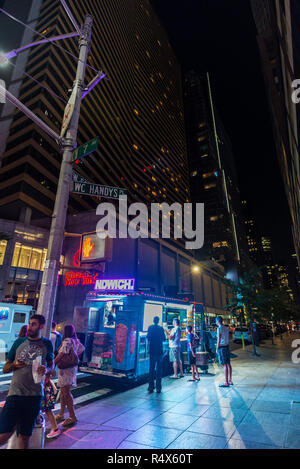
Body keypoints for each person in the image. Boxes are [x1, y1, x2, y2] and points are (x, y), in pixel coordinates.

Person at [0, 314, 54, 449]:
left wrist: (46, 369)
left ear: (41, 326)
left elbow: (52, 366)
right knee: (4, 434)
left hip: (34, 396)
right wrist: (15, 366)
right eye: (29, 323)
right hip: (15, 395)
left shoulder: (47, 344)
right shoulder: (19, 343)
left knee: (25, 436)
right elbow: (6, 368)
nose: (30, 327)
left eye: (34, 324)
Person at [54, 324, 85, 428]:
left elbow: (61, 354)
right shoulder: (76, 340)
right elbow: (81, 350)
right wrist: (73, 358)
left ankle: (72, 416)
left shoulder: (67, 341)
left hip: (66, 370)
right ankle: (61, 414)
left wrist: (52, 363)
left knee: (66, 392)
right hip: (71, 368)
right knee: (63, 392)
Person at [147, 316, 166, 393]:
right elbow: (164, 338)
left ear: (153, 320)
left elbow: (148, 337)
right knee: (159, 370)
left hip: (152, 351)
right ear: (158, 321)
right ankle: (158, 387)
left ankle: (151, 387)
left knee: (151, 369)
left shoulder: (150, 327)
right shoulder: (161, 328)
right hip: (159, 351)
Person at [42, 369, 60, 439]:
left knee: (48, 409)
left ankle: (55, 428)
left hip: (45, 388)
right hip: (40, 387)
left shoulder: (46, 360)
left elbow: (52, 371)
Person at [216, 316, 233, 388]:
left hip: (222, 348)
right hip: (227, 346)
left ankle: (226, 382)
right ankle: (230, 380)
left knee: (224, 365)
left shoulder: (219, 328)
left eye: (216, 321)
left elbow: (219, 339)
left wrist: (217, 348)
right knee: (228, 364)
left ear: (217, 321)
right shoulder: (226, 328)